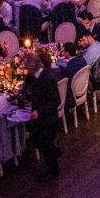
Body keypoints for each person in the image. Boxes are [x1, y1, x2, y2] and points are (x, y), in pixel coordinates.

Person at [19, 51, 64, 182]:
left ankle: (53, 170)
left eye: (25, 65)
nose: (24, 68)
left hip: (47, 118)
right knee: (34, 139)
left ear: (32, 66)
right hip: (35, 117)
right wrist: (21, 97)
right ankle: (54, 152)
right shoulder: (30, 76)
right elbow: (26, 90)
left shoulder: (47, 78)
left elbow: (55, 101)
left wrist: (39, 112)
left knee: (46, 143)